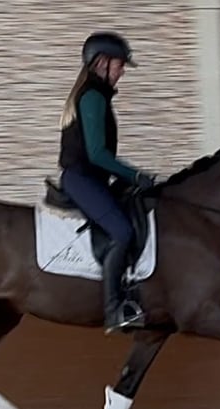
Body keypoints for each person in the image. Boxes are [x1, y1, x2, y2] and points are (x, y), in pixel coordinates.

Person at [58, 31, 156, 334]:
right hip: (81, 179)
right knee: (123, 231)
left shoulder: (95, 94)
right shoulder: (93, 96)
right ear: (102, 63)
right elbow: (98, 154)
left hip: (92, 178)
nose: (123, 70)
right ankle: (114, 310)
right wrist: (136, 175)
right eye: (120, 64)